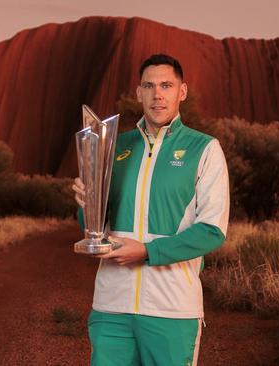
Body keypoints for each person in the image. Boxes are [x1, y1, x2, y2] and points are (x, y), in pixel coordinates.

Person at [72, 53, 229, 366]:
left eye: (167, 85)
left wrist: (146, 251)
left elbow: (212, 231)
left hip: (171, 310)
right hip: (111, 308)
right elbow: (95, 227)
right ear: (138, 92)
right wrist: (86, 206)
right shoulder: (115, 146)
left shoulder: (204, 149)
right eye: (149, 85)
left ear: (181, 92)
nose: (158, 94)